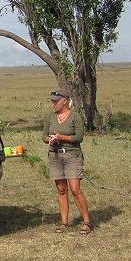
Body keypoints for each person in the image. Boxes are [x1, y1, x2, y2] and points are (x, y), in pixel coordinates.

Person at [42, 88, 91, 235]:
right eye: (52, 101)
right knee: (61, 190)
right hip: (55, 156)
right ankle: (64, 222)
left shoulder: (75, 117)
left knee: (75, 190)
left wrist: (61, 137)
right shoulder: (50, 117)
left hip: (72, 156)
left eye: (56, 101)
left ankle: (86, 222)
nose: (53, 104)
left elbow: (79, 137)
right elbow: (44, 136)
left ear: (65, 101)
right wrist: (50, 139)